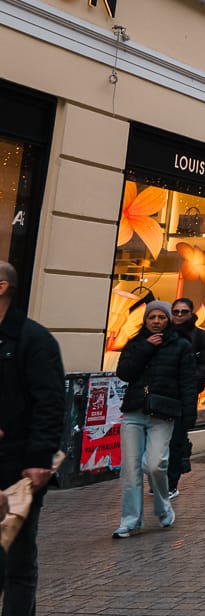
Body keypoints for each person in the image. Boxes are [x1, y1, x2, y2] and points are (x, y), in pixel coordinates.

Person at [0, 260, 64, 612]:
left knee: (17, 560)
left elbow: (50, 402)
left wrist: (39, 459)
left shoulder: (33, 339)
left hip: (16, 465)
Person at [113, 301, 194, 536]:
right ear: (146, 320)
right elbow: (124, 373)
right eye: (152, 317)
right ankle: (130, 521)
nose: (156, 321)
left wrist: (188, 415)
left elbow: (187, 383)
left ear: (168, 320)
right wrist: (145, 348)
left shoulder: (181, 346)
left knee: (155, 464)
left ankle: (163, 507)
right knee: (130, 469)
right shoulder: (136, 343)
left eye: (161, 317)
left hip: (163, 413)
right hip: (133, 413)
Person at [165, 297, 205, 497]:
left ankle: (171, 482)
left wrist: (190, 379)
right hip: (161, 393)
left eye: (183, 312)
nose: (179, 315)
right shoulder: (163, 334)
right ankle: (161, 478)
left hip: (184, 394)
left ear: (191, 313)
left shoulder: (201, 337)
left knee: (176, 438)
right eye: (175, 311)